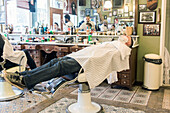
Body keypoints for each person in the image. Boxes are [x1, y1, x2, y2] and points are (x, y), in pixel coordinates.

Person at [4, 35, 132, 92]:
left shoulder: (120, 49)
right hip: (82, 58)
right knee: (55, 61)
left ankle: (27, 81)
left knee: (60, 66)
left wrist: (88, 59)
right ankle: (24, 75)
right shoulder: (112, 44)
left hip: (86, 64)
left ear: (127, 42)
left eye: (127, 37)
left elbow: (101, 60)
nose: (124, 35)